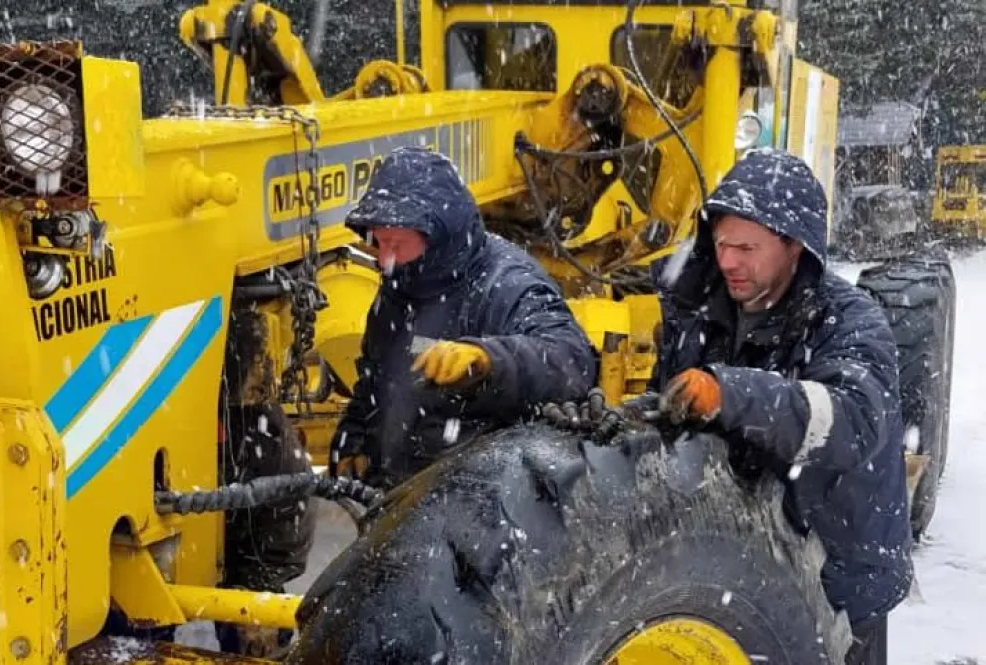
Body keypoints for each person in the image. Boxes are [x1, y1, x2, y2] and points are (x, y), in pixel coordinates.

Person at [549, 149, 911, 665]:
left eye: (747, 247)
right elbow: (680, 403)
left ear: (794, 247)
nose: (728, 262)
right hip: (751, 561)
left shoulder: (848, 322)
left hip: (841, 566)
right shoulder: (700, 308)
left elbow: (850, 422)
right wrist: (627, 418)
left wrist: (731, 395)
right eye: (721, 244)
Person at [330, 146, 597, 487]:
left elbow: (571, 359)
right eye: (379, 244)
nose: (384, 260)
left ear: (437, 234)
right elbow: (375, 378)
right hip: (403, 500)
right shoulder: (402, 286)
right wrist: (354, 439)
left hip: (486, 506)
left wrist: (488, 360)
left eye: (396, 244)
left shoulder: (508, 283)